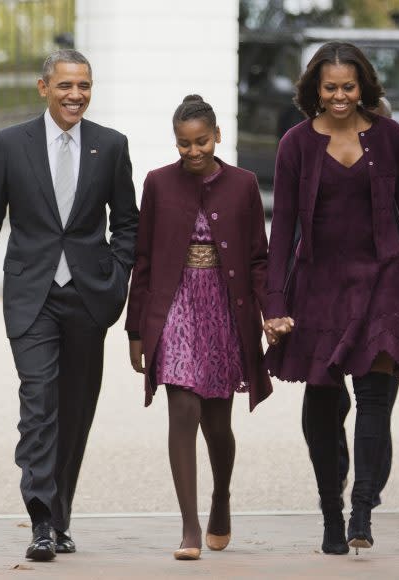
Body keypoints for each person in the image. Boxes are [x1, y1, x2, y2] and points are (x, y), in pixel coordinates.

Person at [0, 49, 138, 561]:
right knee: (39, 406)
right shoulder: (11, 144)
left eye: (84, 86)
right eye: (65, 86)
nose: (75, 95)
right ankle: (39, 519)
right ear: (43, 87)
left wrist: (116, 279)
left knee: (75, 411)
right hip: (31, 296)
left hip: (88, 298)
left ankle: (61, 517)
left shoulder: (111, 145)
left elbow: (128, 221)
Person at [264, 42, 399, 555]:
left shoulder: (390, 138)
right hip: (319, 287)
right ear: (315, 91)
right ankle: (329, 511)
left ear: (363, 86)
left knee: (374, 398)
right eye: (330, 88)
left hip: (382, 280)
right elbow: (282, 234)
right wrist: (273, 303)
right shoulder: (295, 145)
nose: (340, 96)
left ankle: (362, 510)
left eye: (349, 86)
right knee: (322, 405)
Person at [125, 95, 273, 561]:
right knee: (182, 409)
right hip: (174, 306)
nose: (193, 152)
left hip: (225, 307)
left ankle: (220, 497)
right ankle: (189, 527)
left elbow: (258, 259)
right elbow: (143, 259)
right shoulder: (157, 183)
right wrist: (135, 330)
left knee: (217, 423)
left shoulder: (244, 184)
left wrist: (271, 313)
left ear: (217, 137)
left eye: (202, 142)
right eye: (184, 144)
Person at [300, 97, 399, 510]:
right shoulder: (320, 173)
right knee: (324, 399)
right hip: (329, 300)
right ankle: (338, 466)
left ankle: (368, 490)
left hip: (386, 302)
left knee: (377, 400)